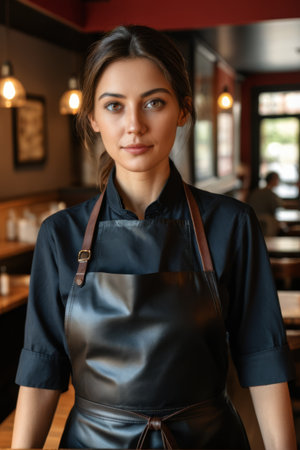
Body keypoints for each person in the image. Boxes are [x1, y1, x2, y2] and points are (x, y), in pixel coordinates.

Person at [12, 25, 296, 450]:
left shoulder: (232, 224)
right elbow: (41, 369)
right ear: (92, 117)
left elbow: (263, 358)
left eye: (154, 103)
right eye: (114, 106)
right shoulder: (59, 236)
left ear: (183, 110)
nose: (134, 126)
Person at [248, 171, 283, 236]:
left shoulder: (256, 191)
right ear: (273, 180)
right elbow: (276, 208)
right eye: (277, 179)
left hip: (251, 222)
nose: (278, 181)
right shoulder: (270, 194)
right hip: (266, 223)